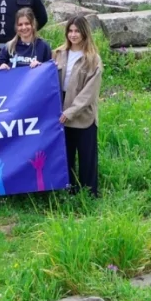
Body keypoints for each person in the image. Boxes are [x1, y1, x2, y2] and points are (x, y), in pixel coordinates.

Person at [52, 15, 103, 197]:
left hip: (82, 113)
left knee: (87, 157)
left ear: (84, 33)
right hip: (61, 110)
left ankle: (89, 195)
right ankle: (70, 192)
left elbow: (90, 92)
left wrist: (71, 112)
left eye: (77, 31)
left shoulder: (93, 59)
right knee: (66, 156)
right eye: (70, 31)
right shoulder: (58, 53)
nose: (73, 35)